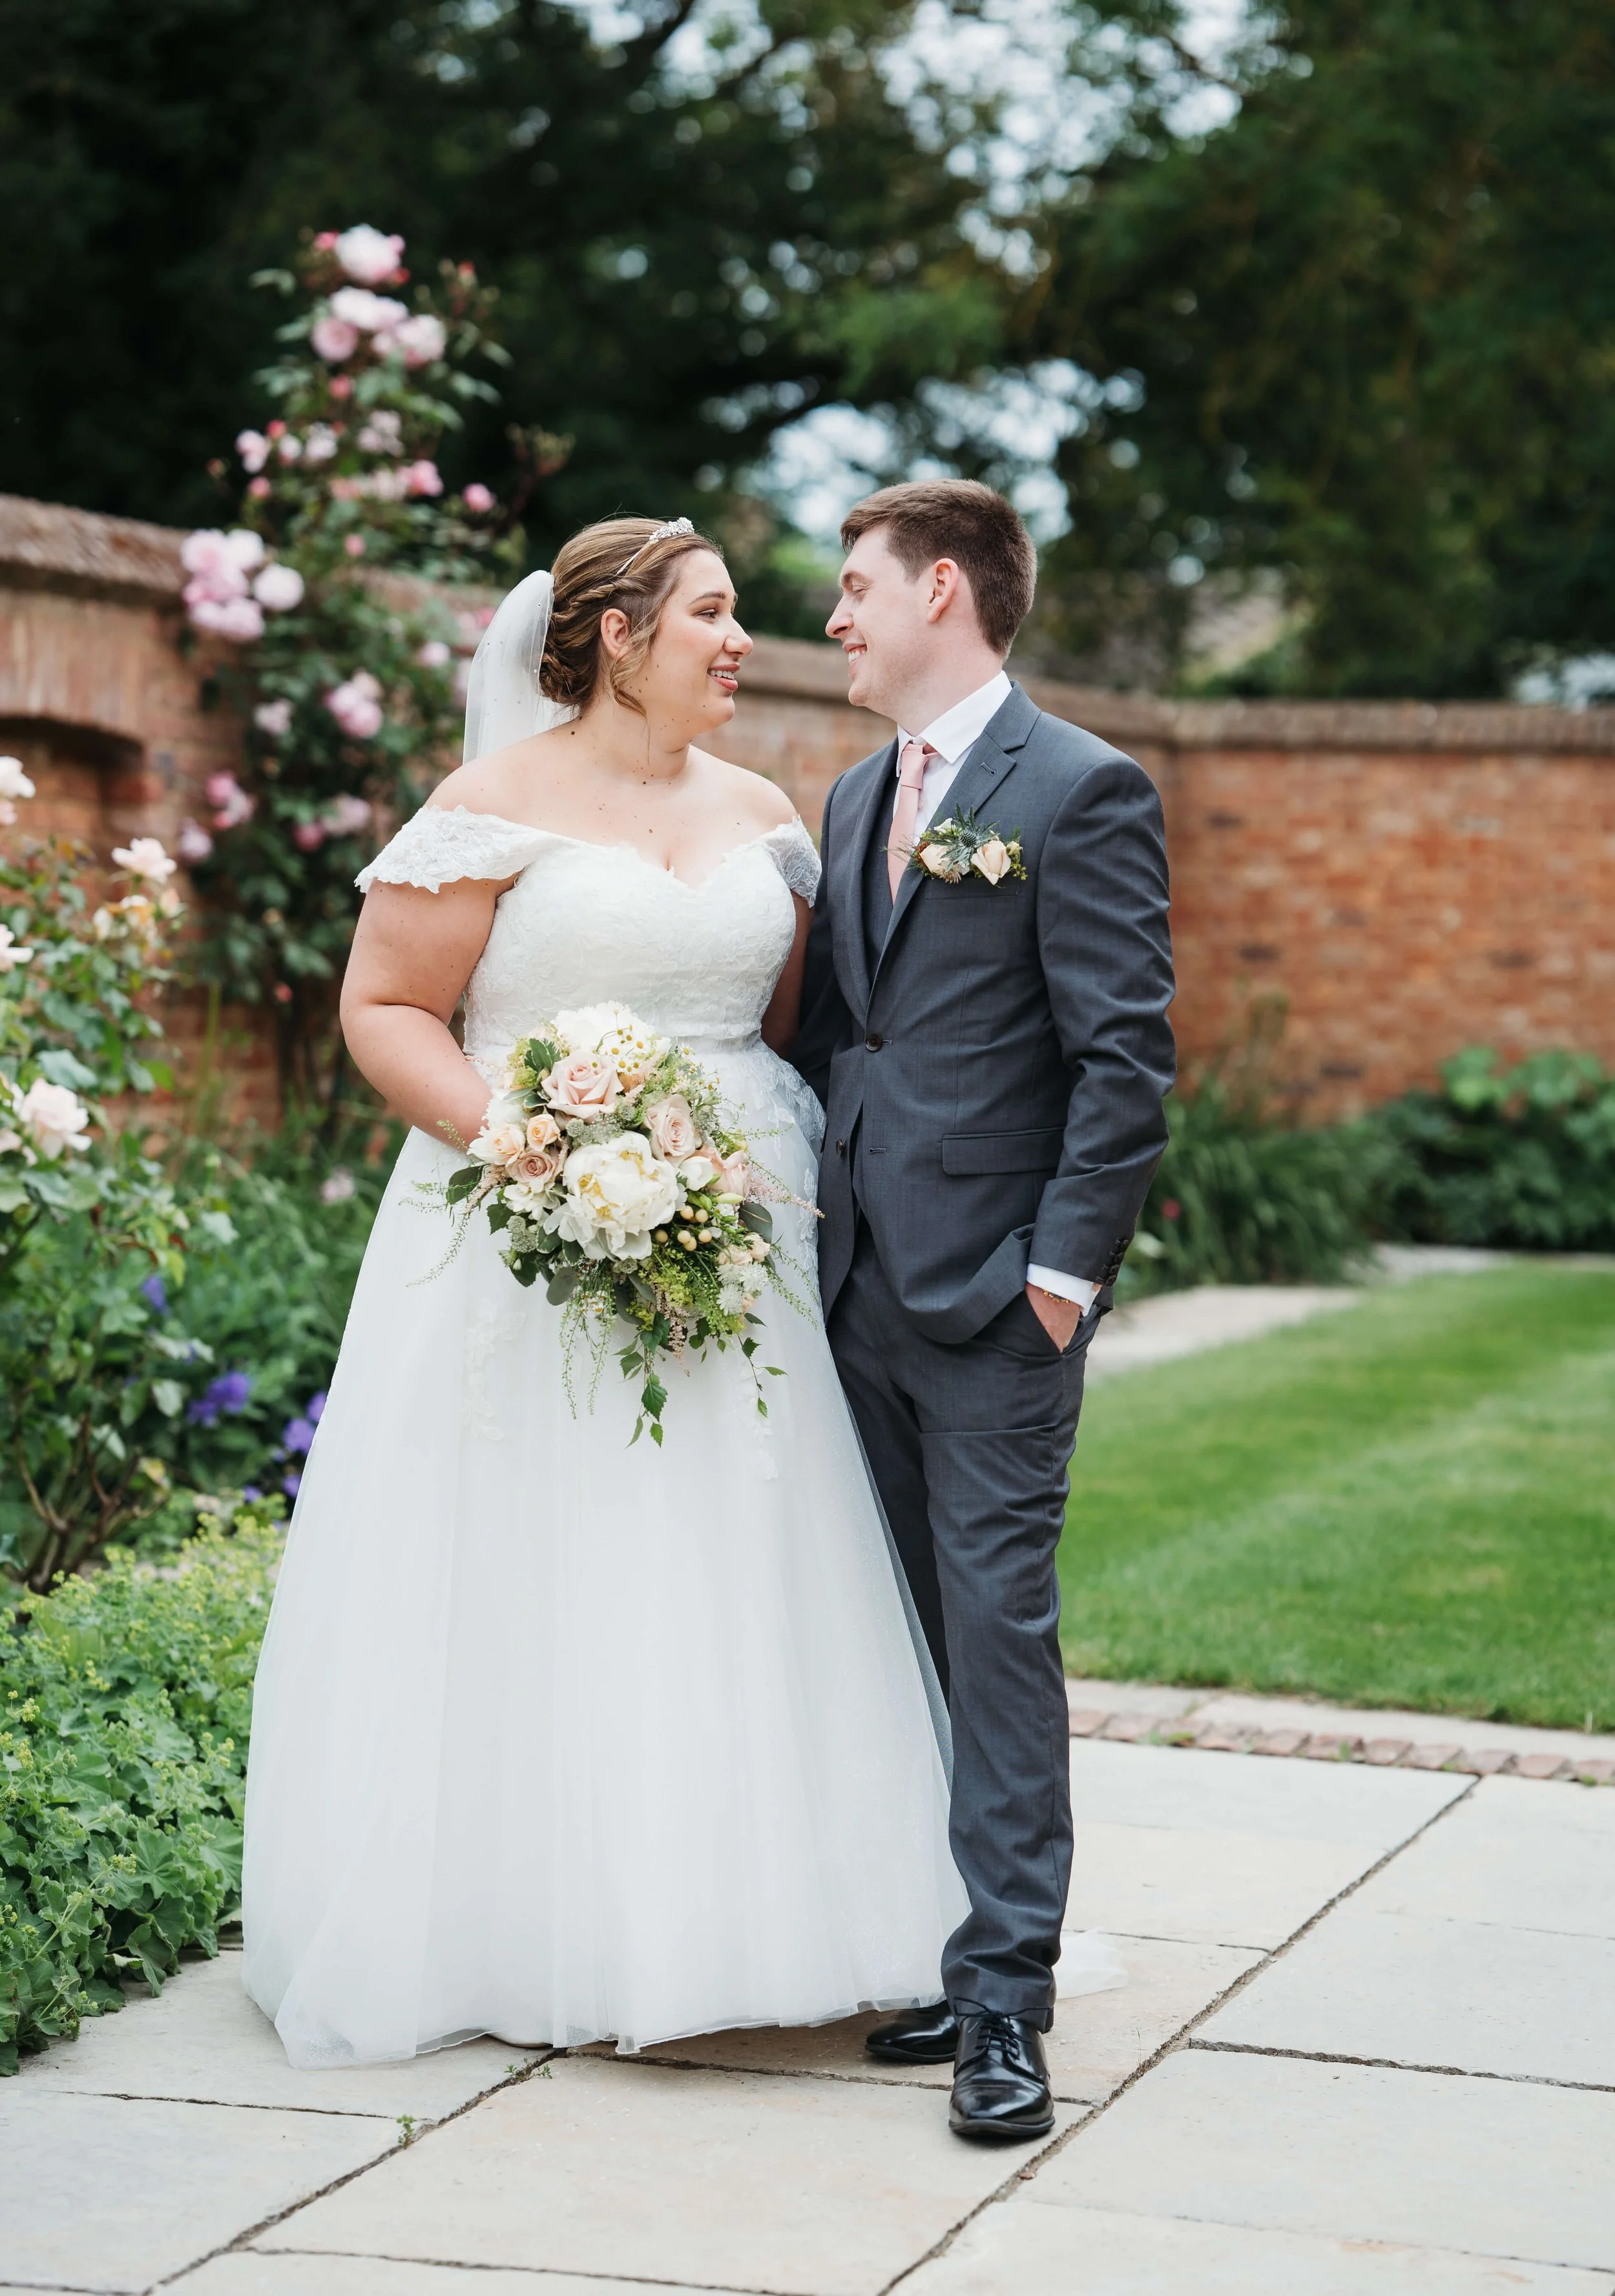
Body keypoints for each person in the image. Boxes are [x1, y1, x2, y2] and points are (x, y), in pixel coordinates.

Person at [241, 516, 967, 2071]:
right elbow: (384, 1004)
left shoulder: (772, 811)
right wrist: (526, 1146)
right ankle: (520, 1921)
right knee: (538, 1548)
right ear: (616, 636)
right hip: (519, 1227)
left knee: (739, 1556)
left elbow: (780, 1029)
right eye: (708, 614)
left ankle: (764, 1914)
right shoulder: (487, 806)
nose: (738, 641)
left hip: (746, 1229)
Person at [792, 479, 1176, 2141]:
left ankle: (1006, 2007)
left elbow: (1123, 1058)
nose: (832, 620)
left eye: (853, 588)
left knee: (998, 1637)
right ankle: (949, 1951)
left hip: (997, 1302)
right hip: (856, 1284)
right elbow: (846, 1041)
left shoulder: (1082, 788)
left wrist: (1058, 1280)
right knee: (909, 1641)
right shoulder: (851, 792)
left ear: (940, 590)